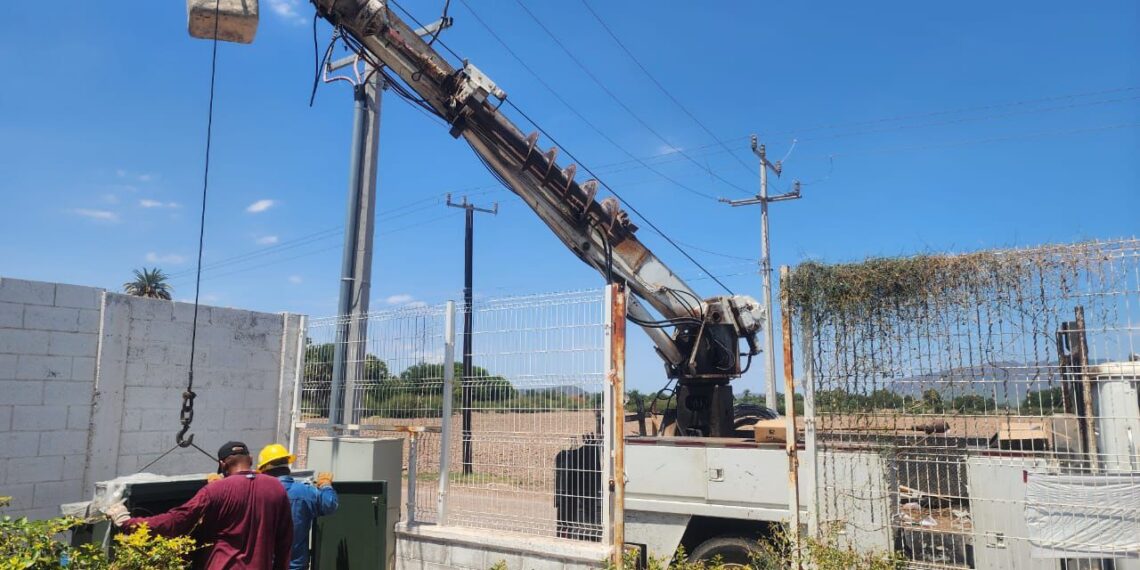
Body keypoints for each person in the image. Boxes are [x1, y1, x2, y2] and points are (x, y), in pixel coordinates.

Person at [104, 441, 294, 570]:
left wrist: (128, 523)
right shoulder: (276, 488)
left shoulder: (215, 490)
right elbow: (285, 541)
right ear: (251, 460)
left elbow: (176, 521)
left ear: (222, 464)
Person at [256, 443, 338, 570]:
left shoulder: (256, 493)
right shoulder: (305, 491)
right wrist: (326, 485)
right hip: (296, 565)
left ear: (264, 470)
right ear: (287, 467)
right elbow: (330, 504)